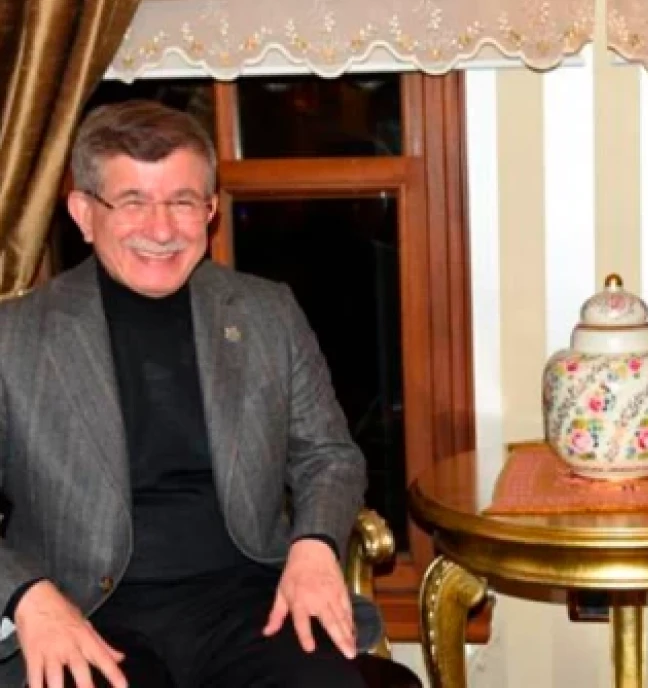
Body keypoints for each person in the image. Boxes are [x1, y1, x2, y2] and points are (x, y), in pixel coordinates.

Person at [0, 100, 373, 687]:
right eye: (132, 202)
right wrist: (26, 596)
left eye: (181, 202)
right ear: (83, 213)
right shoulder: (13, 337)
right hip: (82, 612)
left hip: (251, 602)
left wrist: (315, 544)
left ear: (210, 210)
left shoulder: (267, 312)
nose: (161, 230)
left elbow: (329, 456)